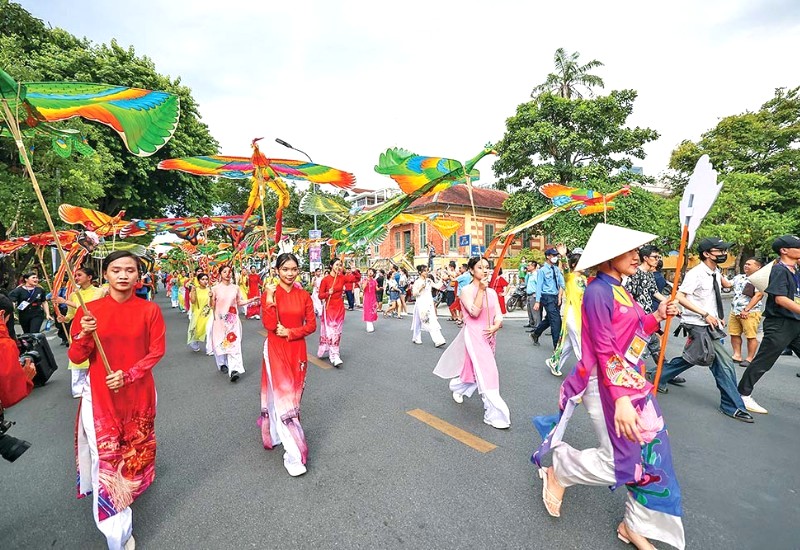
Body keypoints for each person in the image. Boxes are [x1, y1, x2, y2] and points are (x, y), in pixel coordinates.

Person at [532, 224, 684, 550]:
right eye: (630, 251)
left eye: (636, 251)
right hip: (605, 384)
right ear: (608, 256)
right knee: (622, 462)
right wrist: (623, 400)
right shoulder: (598, 292)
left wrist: (657, 314)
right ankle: (561, 470)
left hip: (630, 380)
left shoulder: (620, 288)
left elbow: (636, 329)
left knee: (651, 456)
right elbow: (605, 348)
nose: (637, 256)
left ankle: (634, 527)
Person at [69, 250, 166, 550]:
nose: (123, 275)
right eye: (116, 270)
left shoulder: (149, 310)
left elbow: (156, 351)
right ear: (105, 275)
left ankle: (127, 499)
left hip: (139, 395)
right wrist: (85, 334)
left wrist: (130, 374)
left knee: (133, 456)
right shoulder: (89, 311)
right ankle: (117, 534)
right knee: (108, 461)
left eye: (130, 270)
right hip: (100, 399)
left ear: (139, 276)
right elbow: (76, 356)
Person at [657, 238, 754, 423]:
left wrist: (717, 314)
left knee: (694, 358)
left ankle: (658, 376)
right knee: (723, 363)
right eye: (719, 251)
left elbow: (723, 288)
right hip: (698, 324)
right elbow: (679, 296)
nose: (723, 254)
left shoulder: (715, 271)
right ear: (707, 254)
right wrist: (705, 314)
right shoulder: (696, 273)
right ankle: (732, 405)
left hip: (711, 324)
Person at [433, 256, 510, 429]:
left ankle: (457, 386)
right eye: (480, 267)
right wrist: (481, 291)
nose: (485, 270)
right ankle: (494, 414)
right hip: (474, 335)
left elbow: (499, 314)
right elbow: (474, 312)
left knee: (475, 371)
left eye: (487, 267)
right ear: (471, 271)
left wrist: (497, 325)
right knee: (488, 372)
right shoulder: (466, 290)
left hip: (489, 336)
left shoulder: (491, 292)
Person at [259, 253, 317, 477]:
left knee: (294, 397)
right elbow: (269, 324)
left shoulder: (304, 296)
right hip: (275, 349)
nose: (290, 274)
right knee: (285, 400)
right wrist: (270, 298)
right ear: (277, 270)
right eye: (285, 269)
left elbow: (311, 325)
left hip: (297, 349)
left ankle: (274, 433)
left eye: (294, 269)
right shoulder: (270, 293)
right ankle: (293, 455)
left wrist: (291, 332)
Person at [738, 235, 800, 414]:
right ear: (784, 250)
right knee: (764, 361)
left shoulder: (794, 270)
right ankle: (742, 394)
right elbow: (780, 299)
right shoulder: (780, 270)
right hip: (780, 323)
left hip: (795, 322)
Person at [623, 246, 682, 383]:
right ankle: (634, 377)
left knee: (656, 348)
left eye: (658, 257)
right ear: (645, 258)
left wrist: (670, 303)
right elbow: (629, 295)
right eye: (655, 257)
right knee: (638, 352)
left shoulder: (649, 274)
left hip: (650, 316)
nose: (657, 260)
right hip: (639, 319)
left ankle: (665, 374)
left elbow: (655, 293)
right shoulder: (634, 273)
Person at [56, 267, 104, 398]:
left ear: (89, 277)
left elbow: (88, 308)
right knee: (77, 357)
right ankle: (78, 389)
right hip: (77, 328)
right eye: (75, 276)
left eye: (79, 275)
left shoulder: (99, 292)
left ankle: (95, 384)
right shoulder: (73, 295)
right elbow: (71, 314)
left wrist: (65, 301)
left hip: (94, 327)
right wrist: (64, 318)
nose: (76, 278)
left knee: (96, 356)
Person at [210, 265, 258, 382]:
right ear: (220, 274)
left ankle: (234, 370)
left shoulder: (235, 288)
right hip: (220, 320)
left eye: (229, 272)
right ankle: (223, 364)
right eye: (225, 272)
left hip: (232, 320)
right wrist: (211, 297)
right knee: (221, 344)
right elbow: (211, 306)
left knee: (234, 344)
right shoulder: (215, 289)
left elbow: (239, 302)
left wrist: (251, 300)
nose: (227, 274)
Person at [545, 253, 585, 377]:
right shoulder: (570, 277)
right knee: (579, 342)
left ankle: (554, 361)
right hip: (572, 314)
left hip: (581, 314)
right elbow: (566, 269)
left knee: (568, 344)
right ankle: (586, 369)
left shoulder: (584, 279)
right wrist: (563, 255)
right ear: (574, 264)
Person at [728, 257, 765, 368]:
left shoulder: (759, 279)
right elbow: (727, 284)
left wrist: (747, 309)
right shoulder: (739, 277)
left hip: (750, 312)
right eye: (746, 264)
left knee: (750, 336)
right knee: (734, 333)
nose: (746, 266)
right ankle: (737, 355)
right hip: (735, 311)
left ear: (758, 267)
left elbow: (759, 295)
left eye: (749, 264)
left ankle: (750, 358)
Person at [0, 295, 34, 408]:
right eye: (8, 319)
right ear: (1, 314)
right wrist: (25, 378)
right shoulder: (4, 344)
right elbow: (10, 394)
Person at [531, 248, 565, 348]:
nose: (555, 257)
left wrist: (560, 296)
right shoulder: (542, 270)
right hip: (547, 296)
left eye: (556, 255)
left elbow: (562, 283)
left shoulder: (556, 269)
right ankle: (557, 346)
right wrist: (537, 301)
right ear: (548, 256)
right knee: (556, 320)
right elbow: (539, 286)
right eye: (553, 255)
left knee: (550, 319)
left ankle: (536, 333)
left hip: (555, 296)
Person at [318, 258, 347, 367]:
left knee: (337, 332)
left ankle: (330, 350)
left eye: (340, 265)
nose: (338, 267)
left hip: (339, 307)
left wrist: (354, 270)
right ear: (331, 266)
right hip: (329, 308)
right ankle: (334, 355)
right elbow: (320, 295)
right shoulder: (325, 280)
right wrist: (327, 293)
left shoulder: (342, 278)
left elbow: (355, 279)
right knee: (331, 332)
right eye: (336, 265)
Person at [411, 265, 446, 347]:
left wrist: (441, 279)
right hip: (421, 304)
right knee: (424, 321)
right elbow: (414, 294)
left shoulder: (429, 281)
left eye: (427, 271)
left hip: (429, 303)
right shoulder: (417, 282)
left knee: (432, 321)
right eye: (424, 271)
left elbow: (437, 286)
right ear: (420, 272)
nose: (426, 272)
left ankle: (438, 340)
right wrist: (421, 288)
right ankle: (418, 337)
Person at [187, 273, 212, 352]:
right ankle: (195, 342)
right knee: (197, 330)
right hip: (198, 312)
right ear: (198, 281)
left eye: (206, 279)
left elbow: (212, 303)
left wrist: (211, 297)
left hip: (209, 313)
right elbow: (193, 301)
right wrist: (193, 291)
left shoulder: (210, 290)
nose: (205, 281)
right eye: (202, 279)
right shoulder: (195, 289)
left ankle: (210, 348)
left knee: (209, 329)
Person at [523, 261, 540, 330]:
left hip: (534, 295)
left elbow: (539, 285)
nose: (527, 267)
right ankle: (531, 322)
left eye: (529, 265)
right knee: (530, 311)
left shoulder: (536, 275)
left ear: (533, 266)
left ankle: (537, 326)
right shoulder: (530, 275)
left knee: (535, 312)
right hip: (529, 294)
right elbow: (526, 282)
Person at [361, 268, 379, 333]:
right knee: (368, 310)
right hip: (367, 297)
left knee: (373, 310)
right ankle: (369, 325)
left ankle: (371, 323)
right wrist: (367, 281)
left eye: (372, 272)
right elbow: (363, 287)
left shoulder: (374, 281)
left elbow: (376, 289)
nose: (370, 272)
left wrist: (381, 288)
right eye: (369, 271)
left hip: (373, 297)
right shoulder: (364, 280)